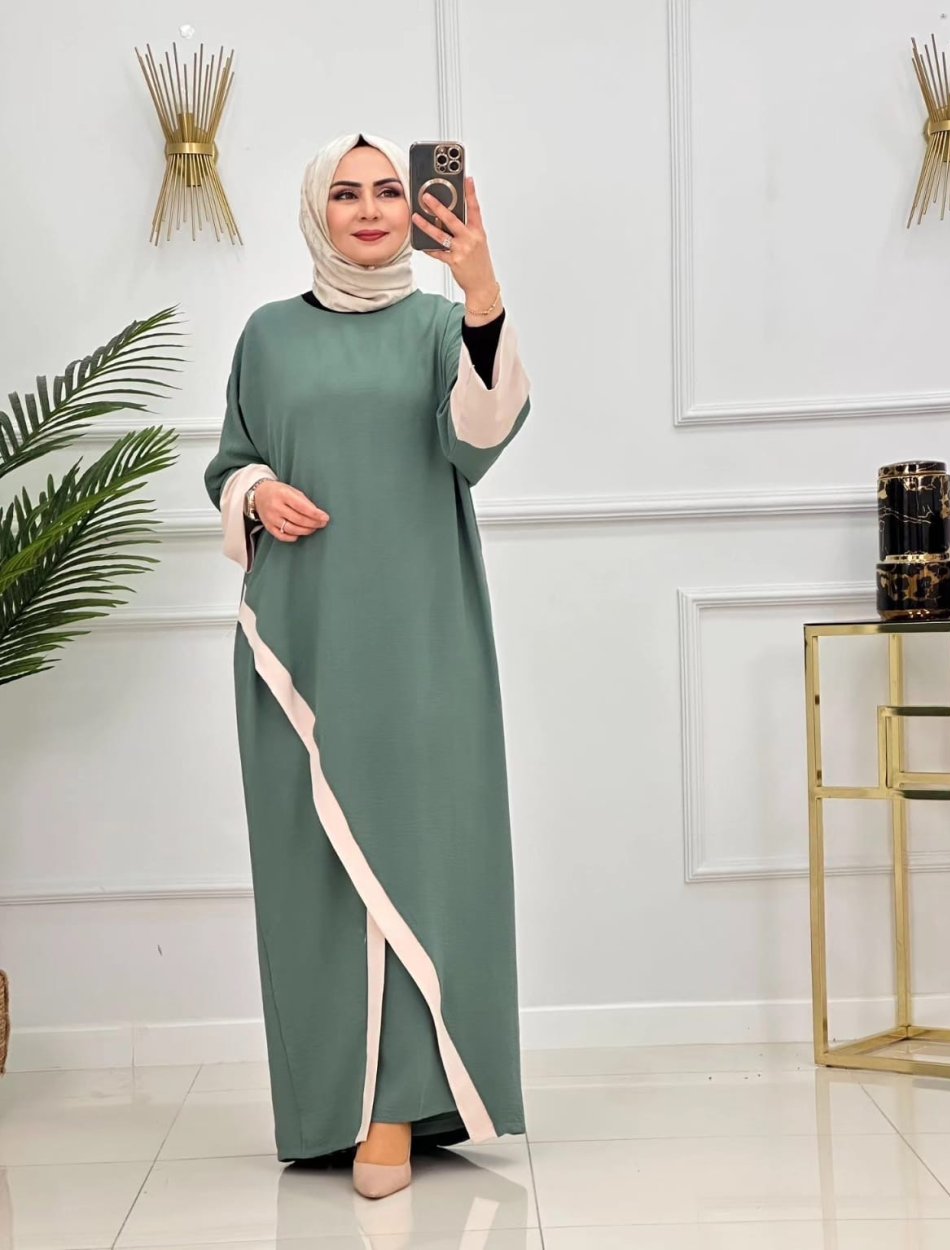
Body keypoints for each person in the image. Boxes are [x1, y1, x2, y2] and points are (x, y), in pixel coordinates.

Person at [203, 132, 531, 1201]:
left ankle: (400, 1107)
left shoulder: (440, 323)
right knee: (313, 867)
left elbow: (478, 440)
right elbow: (231, 457)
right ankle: (331, 1107)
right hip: (301, 637)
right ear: (318, 212)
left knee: (417, 853)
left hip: (422, 635)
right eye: (346, 193)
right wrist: (255, 492)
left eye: (391, 189)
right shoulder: (268, 334)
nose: (373, 207)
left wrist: (480, 290)